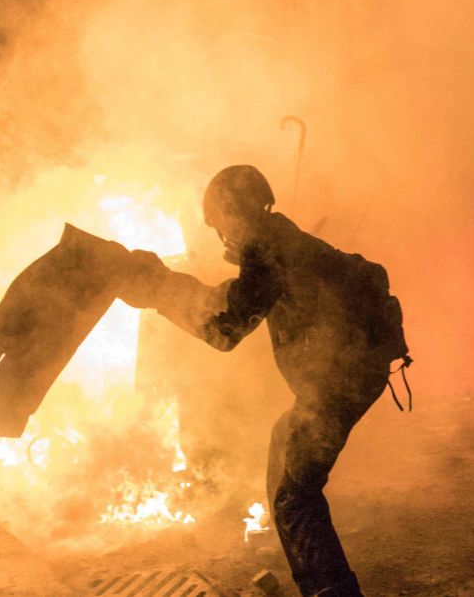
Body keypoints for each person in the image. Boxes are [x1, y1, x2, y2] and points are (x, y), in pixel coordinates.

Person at [128, 166, 407, 597]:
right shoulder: (282, 238)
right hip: (351, 375)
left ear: (233, 214)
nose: (222, 237)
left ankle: (330, 592)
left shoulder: (266, 249)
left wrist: (158, 292)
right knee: (285, 456)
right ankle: (318, 578)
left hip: (335, 385)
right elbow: (234, 297)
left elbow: (226, 329)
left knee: (295, 497)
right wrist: (167, 285)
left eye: (220, 225)